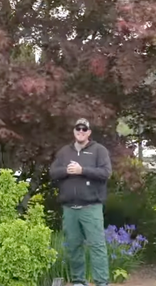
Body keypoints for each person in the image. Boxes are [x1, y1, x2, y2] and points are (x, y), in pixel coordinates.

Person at [49, 117, 112, 286]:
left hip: (91, 207)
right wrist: (67, 171)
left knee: (97, 246)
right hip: (69, 209)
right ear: (74, 131)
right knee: (73, 247)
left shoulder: (99, 150)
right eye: (78, 129)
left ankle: (101, 282)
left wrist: (82, 170)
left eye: (84, 129)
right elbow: (53, 173)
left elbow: (105, 173)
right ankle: (78, 281)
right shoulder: (64, 152)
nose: (81, 132)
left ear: (89, 132)